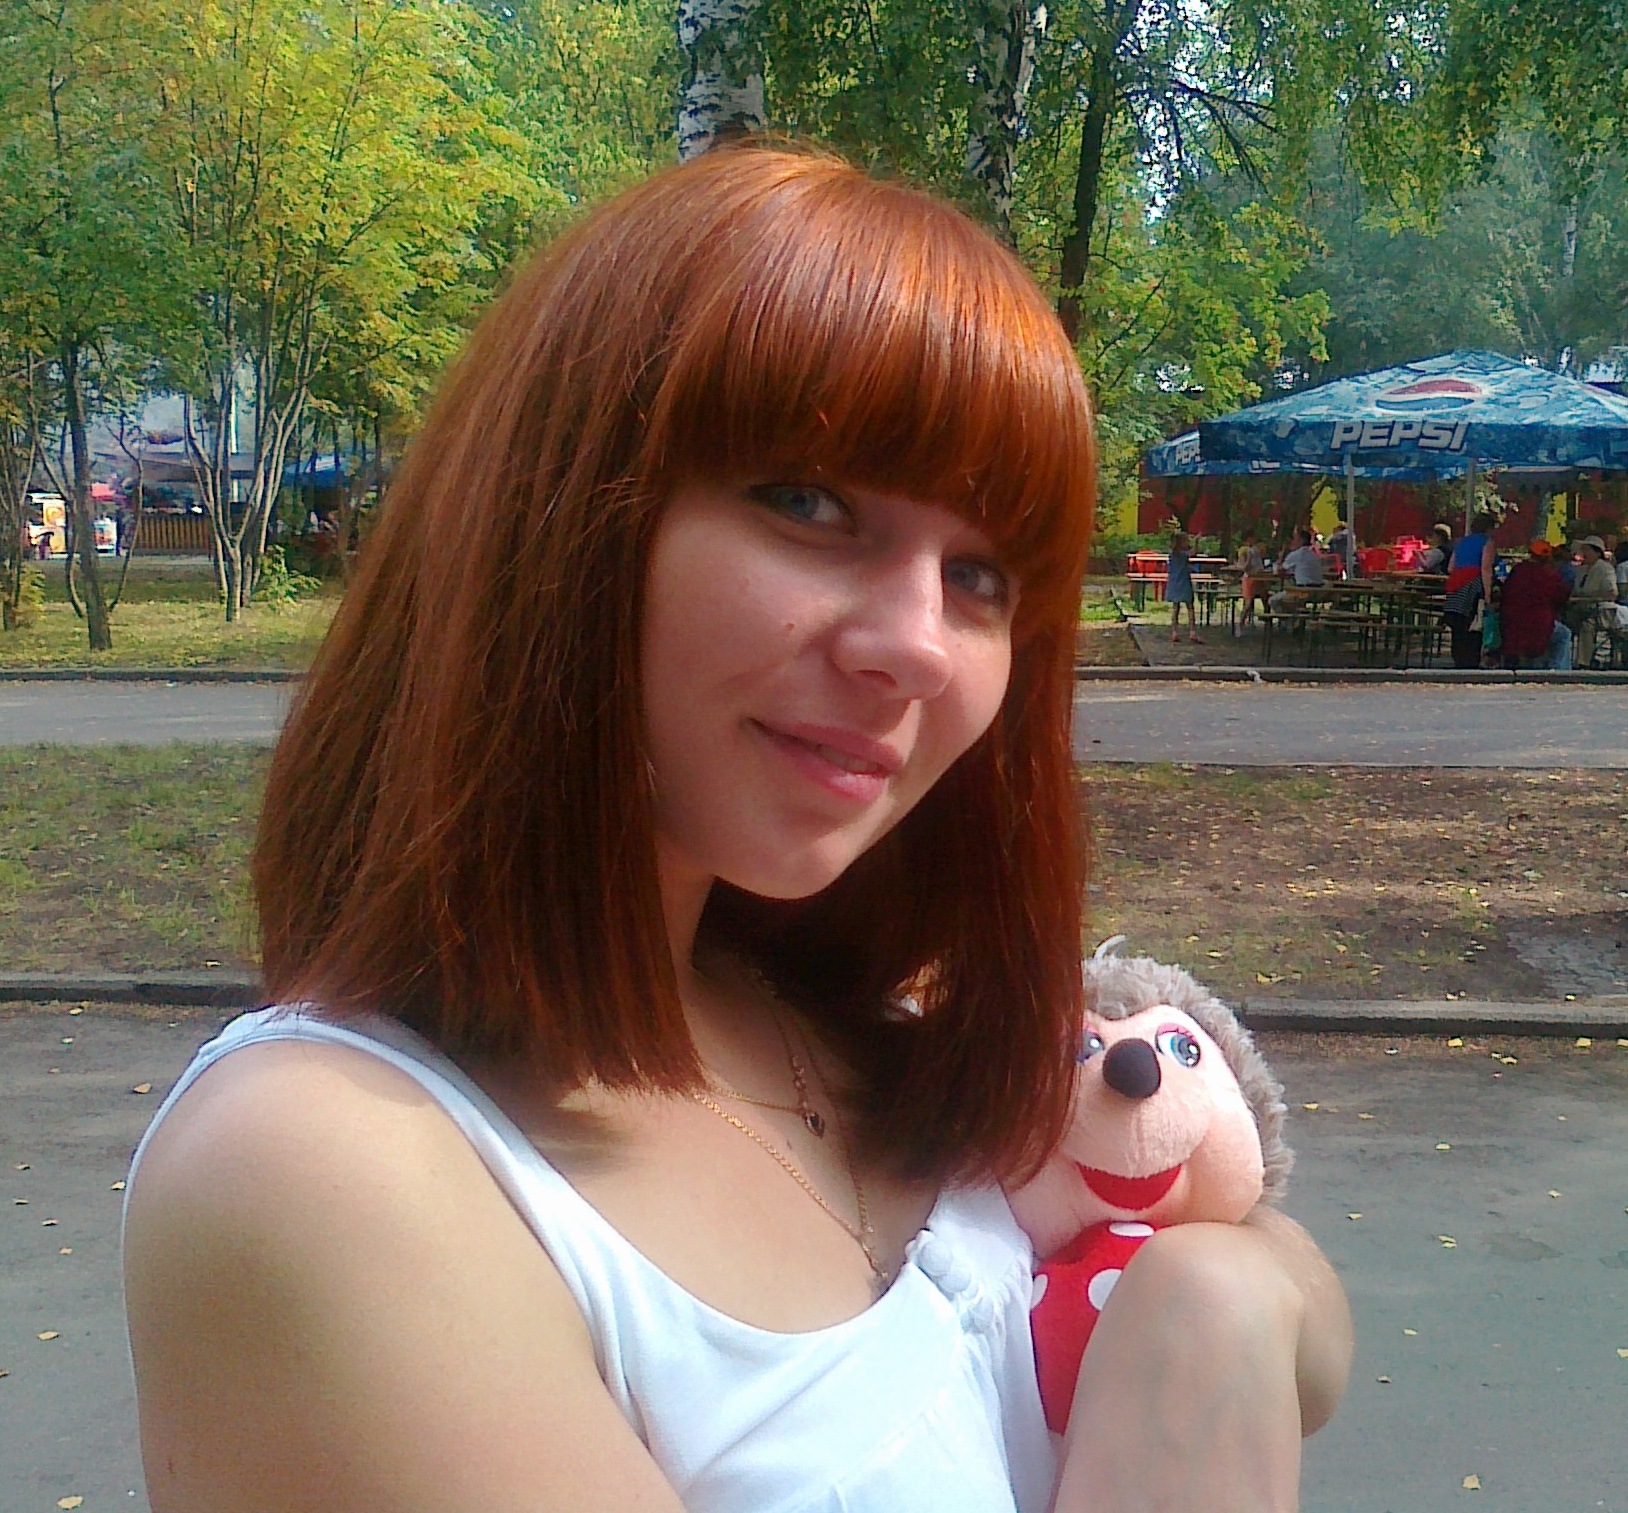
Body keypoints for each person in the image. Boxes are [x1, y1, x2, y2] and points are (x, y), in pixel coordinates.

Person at [119, 148, 1351, 1513]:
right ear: (557, 513)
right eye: (808, 502)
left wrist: (1211, 1298)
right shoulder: (329, 1169)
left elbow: (1286, 1290)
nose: (918, 646)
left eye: (981, 575)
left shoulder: (852, 1016)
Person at [1497, 539, 1572, 670]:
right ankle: (1559, 671)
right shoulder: (1551, 575)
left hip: (1512, 625)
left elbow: (1505, 593)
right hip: (1540, 625)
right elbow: (1561, 597)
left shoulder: (1518, 570)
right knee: (1564, 634)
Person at [1441, 511, 1497, 669]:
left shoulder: (1461, 542)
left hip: (1455, 586)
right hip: (1473, 585)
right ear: (1489, 528)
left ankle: (1458, 660)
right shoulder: (1487, 542)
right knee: (1474, 625)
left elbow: (1450, 567)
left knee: (1457, 626)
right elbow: (1485, 569)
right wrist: (1488, 595)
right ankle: (1470, 662)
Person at [1566, 535, 1619, 668]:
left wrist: (1587, 598)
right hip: (1580, 608)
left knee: (1587, 626)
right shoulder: (1581, 570)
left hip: (1601, 610)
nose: (1584, 553)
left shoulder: (1605, 569)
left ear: (1597, 552)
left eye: (1587, 550)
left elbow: (1612, 594)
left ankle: (1584, 662)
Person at [1269, 526, 1324, 611]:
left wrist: (1282, 552)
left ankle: (1288, 616)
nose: (1293, 542)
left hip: (1303, 591)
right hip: (1318, 591)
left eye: (1295, 539)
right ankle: (1296, 614)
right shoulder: (1314, 554)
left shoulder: (1296, 555)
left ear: (1301, 541)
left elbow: (1279, 570)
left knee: (1272, 600)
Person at [1166, 530, 1201, 643]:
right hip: (1184, 581)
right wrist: (1196, 541)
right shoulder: (1184, 555)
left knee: (1175, 607)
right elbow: (1194, 552)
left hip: (1174, 582)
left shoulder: (1172, 554)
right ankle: (1192, 631)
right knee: (1190, 607)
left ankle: (1174, 632)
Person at [1234, 532, 1269, 634]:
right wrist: (1248, 559)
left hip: (1259, 577)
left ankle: (1268, 624)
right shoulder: (1244, 551)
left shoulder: (1256, 549)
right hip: (1249, 578)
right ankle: (1240, 625)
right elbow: (1243, 567)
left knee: (1265, 599)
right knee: (1248, 603)